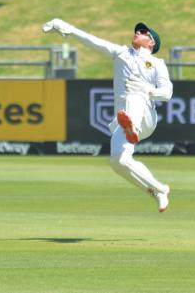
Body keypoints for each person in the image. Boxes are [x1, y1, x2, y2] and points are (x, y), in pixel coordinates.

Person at [43, 18, 173, 212]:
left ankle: (132, 128)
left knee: (135, 94)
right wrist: (69, 29)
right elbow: (94, 41)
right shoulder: (121, 53)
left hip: (146, 117)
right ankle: (159, 190)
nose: (137, 32)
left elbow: (167, 93)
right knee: (118, 162)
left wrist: (148, 90)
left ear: (151, 42)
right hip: (124, 119)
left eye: (143, 32)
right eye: (137, 30)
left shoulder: (156, 63)